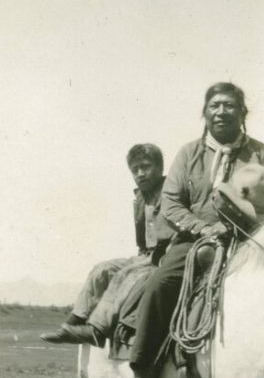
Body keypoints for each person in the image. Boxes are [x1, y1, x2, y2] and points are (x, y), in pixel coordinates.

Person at [117, 82, 264, 378]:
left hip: (248, 244)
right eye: (214, 106)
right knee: (159, 286)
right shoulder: (187, 154)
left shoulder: (262, 154)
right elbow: (171, 203)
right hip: (193, 243)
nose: (221, 112)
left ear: (242, 112)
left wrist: (242, 225)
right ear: (205, 113)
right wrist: (203, 227)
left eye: (229, 105)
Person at [41, 144, 172, 345]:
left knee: (127, 274)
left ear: (160, 167)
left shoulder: (172, 191)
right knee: (101, 270)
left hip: (166, 255)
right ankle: (71, 324)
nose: (140, 173)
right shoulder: (139, 199)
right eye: (135, 169)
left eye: (145, 167)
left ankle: (97, 330)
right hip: (145, 255)